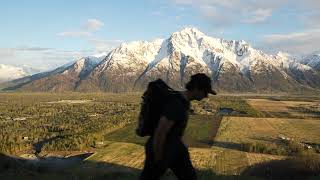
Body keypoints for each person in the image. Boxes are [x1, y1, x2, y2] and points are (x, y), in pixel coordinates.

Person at [139, 73, 217, 180]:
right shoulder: (177, 104)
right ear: (196, 88)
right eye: (205, 92)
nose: (206, 96)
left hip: (175, 146)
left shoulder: (184, 102)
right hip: (161, 146)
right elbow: (160, 131)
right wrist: (157, 157)